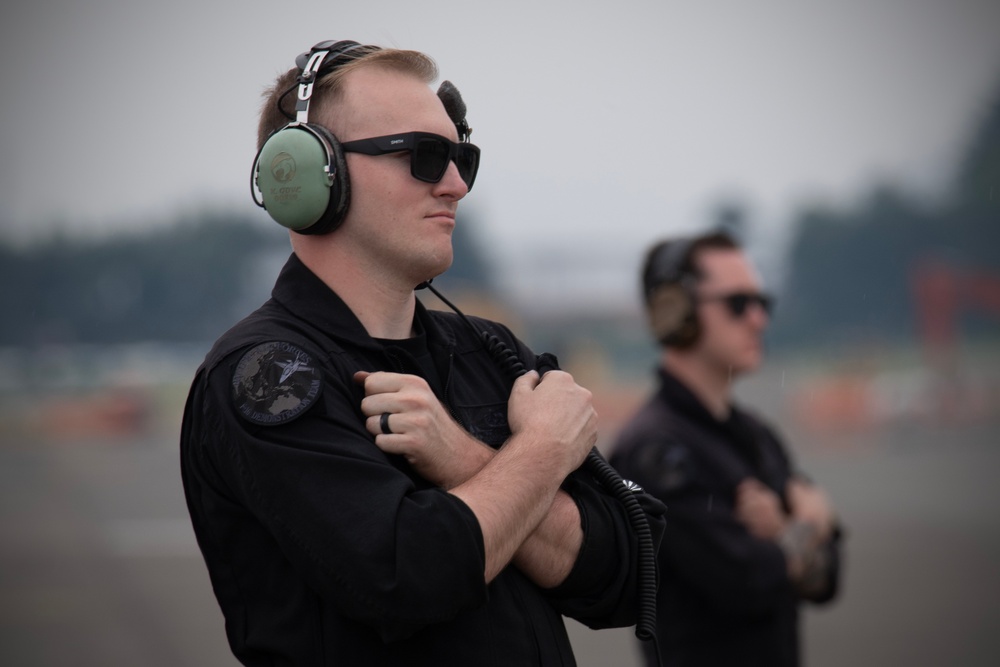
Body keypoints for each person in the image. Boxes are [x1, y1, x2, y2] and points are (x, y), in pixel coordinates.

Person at [180, 39, 664, 666]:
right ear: (306, 175)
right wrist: (542, 452)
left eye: (462, 157)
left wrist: (462, 458)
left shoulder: (490, 351)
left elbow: (634, 569)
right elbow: (407, 578)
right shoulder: (268, 375)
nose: (457, 185)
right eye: (426, 157)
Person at [610, 231, 844, 667]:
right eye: (738, 303)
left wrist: (782, 539)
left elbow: (829, 579)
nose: (758, 319)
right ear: (673, 310)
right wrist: (807, 520)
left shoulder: (757, 434)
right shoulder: (652, 450)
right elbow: (747, 580)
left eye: (762, 303)